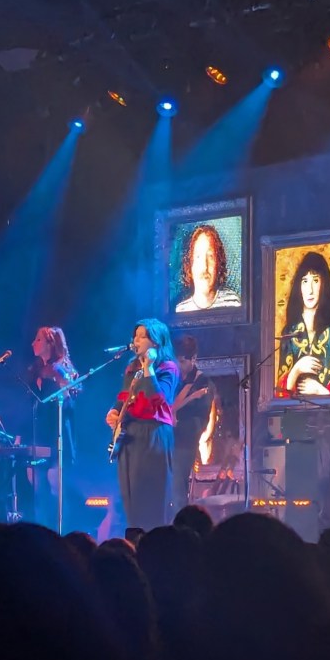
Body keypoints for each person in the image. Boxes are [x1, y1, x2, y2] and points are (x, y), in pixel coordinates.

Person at [105, 318, 180, 531]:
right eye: (135, 336)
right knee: (130, 497)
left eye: (142, 336)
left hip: (153, 434)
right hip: (130, 434)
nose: (135, 340)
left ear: (156, 342)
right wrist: (114, 411)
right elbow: (123, 397)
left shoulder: (168, 368)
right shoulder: (131, 368)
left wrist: (149, 369)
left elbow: (159, 397)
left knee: (151, 498)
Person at [27, 325, 81, 529]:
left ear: (50, 343)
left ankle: (63, 530)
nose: (33, 343)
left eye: (38, 339)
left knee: (55, 482)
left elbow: (70, 400)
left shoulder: (61, 368)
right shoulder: (34, 370)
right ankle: (43, 531)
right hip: (38, 433)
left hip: (57, 432)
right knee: (36, 484)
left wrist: (61, 382)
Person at [277, 251, 330, 397]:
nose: (310, 290)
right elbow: (279, 394)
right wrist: (297, 369)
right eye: (305, 281)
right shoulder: (289, 332)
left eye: (315, 280)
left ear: (323, 284)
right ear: (299, 287)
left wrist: (321, 391)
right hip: (295, 416)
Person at [171, 333, 213, 514]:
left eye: (182, 361)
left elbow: (201, 422)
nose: (177, 367)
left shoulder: (203, 383)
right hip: (162, 442)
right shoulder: (170, 378)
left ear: (193, 359)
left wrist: (177, 425)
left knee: (177, 492)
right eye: (175, 361)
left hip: (183, 444)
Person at [175, 224, 241, 313]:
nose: (204, 266)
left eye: (210, 256)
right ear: (190, 265)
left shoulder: (233, 302)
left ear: (218, 263)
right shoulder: (181, 310)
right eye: (198, 257)